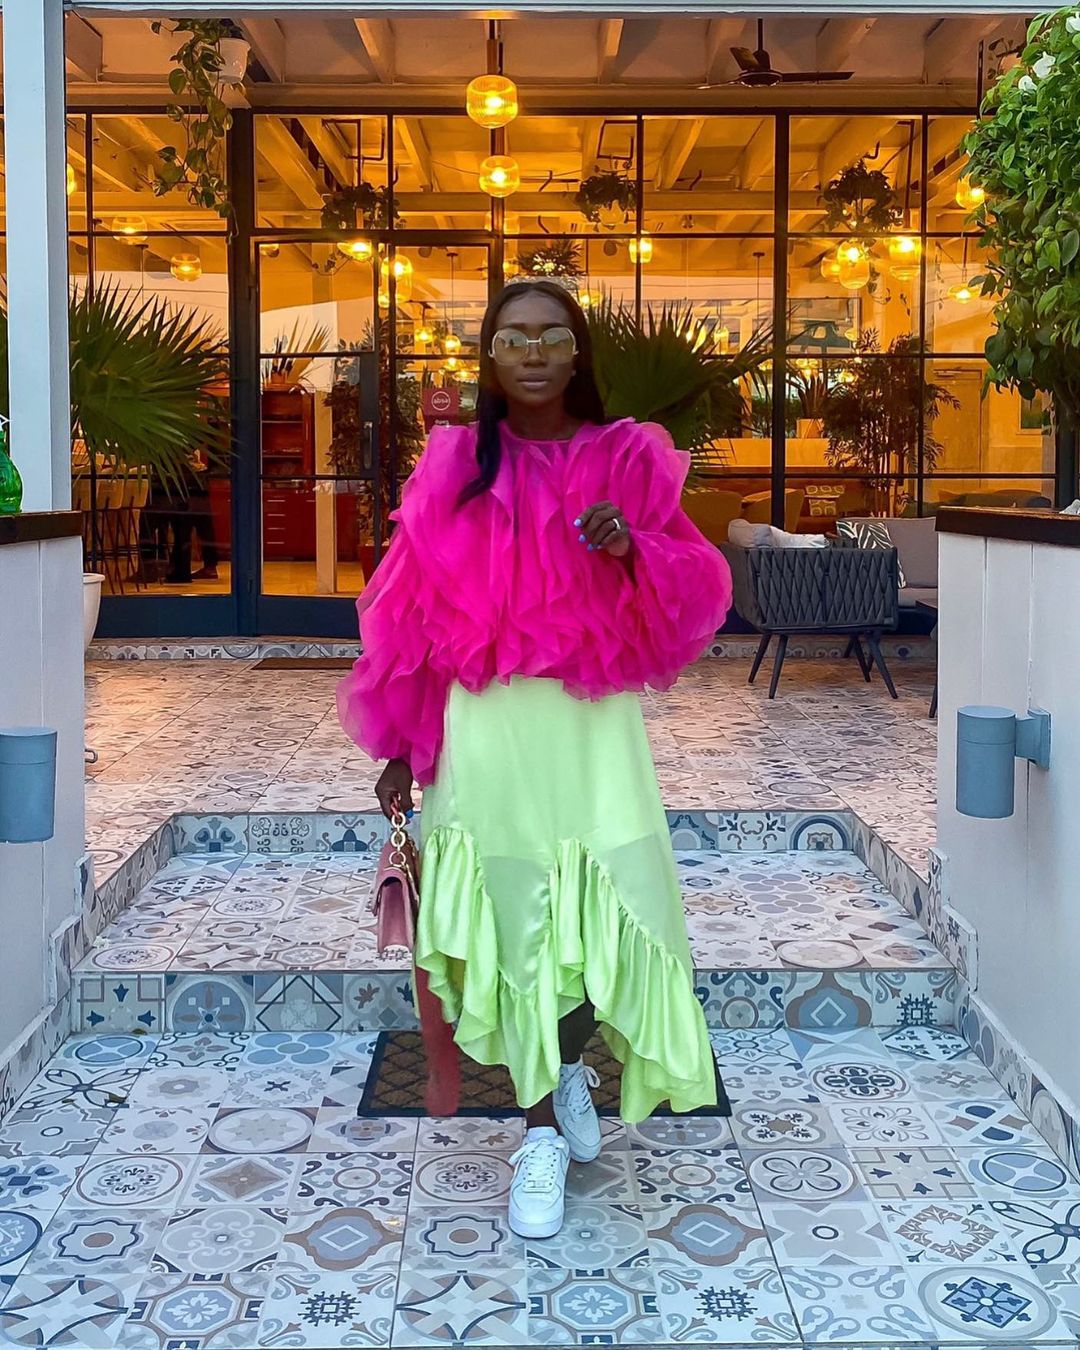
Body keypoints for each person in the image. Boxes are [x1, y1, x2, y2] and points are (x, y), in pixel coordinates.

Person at [338, 280, 733, 1239]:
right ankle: (542, 1131)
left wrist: (631, 549)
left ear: (577, 352)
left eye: (552, 336)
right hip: (489, 731)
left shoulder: (626, 457)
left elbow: (697, 589)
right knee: (517, 927)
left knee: (615, 916)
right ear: (489, 355)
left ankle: (566, 1072)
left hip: (593, 733)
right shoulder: (452, 467)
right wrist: (403, 747)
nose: (533, 353)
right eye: (513, 337)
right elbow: (410, 620)